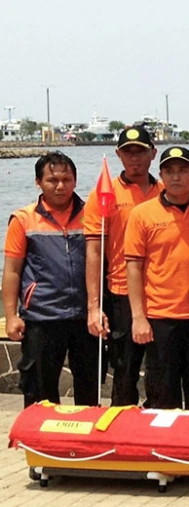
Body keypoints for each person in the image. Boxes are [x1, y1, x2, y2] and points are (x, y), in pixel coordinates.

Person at [4, 152, 97, 407]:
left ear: (75, 181)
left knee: (89, 392)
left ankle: (86, 445)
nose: (60, 185)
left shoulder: (92, 215)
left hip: (84, 318)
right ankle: (41, 446)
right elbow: (11, 271)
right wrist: (11, 316)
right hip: (42, 317)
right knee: (39, 393)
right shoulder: (23, 219)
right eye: (52, 179)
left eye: (66, 179)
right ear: (38, 182)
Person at [123, 147, 189, 410]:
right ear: (160, 175)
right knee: (162, 396)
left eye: (183, 171)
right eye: (169, 171)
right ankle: (161, 450)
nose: (176, 177)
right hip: (160, 318)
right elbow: (134, 268)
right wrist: (139, 318)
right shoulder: (142, 214)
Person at [85, 126, 162, 407]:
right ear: (119, 155)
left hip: (162, 295)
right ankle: (120, 432)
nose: (135, 158)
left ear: (153, 153)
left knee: (161, 372)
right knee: (125, 371)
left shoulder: (166, 190)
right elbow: (94, 251)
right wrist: (94, 307)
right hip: (121, 294)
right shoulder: (105, 195)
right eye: (128, 152)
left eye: (140, 151)